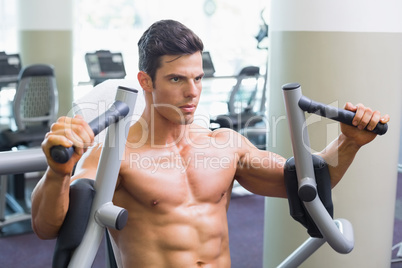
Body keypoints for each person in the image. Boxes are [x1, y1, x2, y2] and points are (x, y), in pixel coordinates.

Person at [31, 19, 390, 268]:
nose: (192, 93)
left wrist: (349, 142)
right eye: (177, 79)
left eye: (199, 78)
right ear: (146, 81)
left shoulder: (225, 145)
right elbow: (47, 227)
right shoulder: (115, 156)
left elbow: (306, 183)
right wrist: (59, 173)